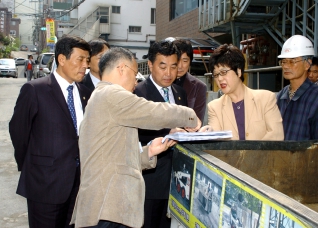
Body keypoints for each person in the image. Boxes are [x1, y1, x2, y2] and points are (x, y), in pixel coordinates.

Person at [70, 47, 201, 228]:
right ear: (122, 68)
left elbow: (112, 157)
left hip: (107, 207)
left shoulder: (101, 97)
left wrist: (149, 152)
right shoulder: (110, 94)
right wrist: (189, 115)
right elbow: (152, 112)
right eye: (135, 73)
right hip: (107, 207)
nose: (136, 80)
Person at [9, 35, 91, 228]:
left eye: (87, 60)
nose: (85, 66)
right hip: (44, 184)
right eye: (80, 59)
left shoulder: (85, 92)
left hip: (78, 184)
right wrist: (33, 167)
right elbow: (19, 133)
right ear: (62, 59)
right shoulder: (35, 90)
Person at [134, 40, 194, 228]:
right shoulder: (137, 93)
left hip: (177, 178)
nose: (168, 73)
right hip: (150, 178)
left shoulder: (179, 92)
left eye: (173, 66)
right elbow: (135, 133)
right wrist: (168, 132)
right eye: (162, 66)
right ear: (150, 65)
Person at [201, 44, 284, 140]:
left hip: (263, 155)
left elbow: (276, 135)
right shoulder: (214, 107)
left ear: (239, 71)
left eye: (224, 72)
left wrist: (251, 154)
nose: (219, 79)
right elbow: (217, 139)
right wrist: (210, 132)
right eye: (216, 75)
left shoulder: (265, 99)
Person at [276, 35, 318, 140]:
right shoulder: (281, 96)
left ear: (307, 64)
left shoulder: (315, 98)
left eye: (292, 61)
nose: (286, 66)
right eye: (284, 61)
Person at [173, 39, 207, 123]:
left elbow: (197, 120)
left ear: (190, 62)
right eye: (177, 60)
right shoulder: (161, 82)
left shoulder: (199, 87)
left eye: (185, 61)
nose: (180, 66)